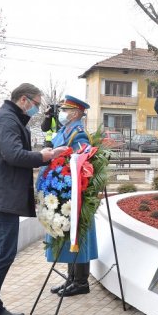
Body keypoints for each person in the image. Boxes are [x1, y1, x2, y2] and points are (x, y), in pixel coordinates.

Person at [0, 83, 67, 315]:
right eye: (35, 104)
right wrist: (44, 157)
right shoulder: (7, 120)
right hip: (0, 199)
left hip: (1, 198)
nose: (36, 110)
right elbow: (12, 155)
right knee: (0, 256)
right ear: (23, 100)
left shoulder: (9, 118)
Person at [45, 95, 98, 297]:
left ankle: (81, 282)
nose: (63, 113)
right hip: (62, 191)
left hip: (74, 193)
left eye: (66, 110)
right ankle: (71, 278)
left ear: (76, 112)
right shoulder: (65, 129)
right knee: (68, 236)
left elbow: (78, 165)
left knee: (78, 235)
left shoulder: (79, 134)